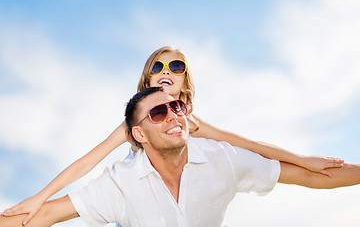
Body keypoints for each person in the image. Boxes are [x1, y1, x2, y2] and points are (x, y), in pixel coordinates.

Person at [1, 46, 344, 225]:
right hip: (135, 206)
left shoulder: (191, 123)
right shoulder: (131, 127)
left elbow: (248, 144)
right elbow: (88, 161)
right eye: (158, 67)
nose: (167, 72)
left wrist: (302, 160)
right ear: (147, 79)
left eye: (176, 67)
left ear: (184, 83)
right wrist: (39, 196)